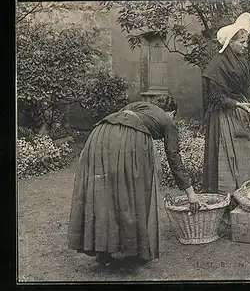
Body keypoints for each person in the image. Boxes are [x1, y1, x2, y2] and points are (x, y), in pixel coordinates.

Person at [67, 94, 201, 267]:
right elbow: (174, 159)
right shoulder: (168, 121)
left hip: (99, 134)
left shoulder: (137, 106)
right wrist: (191, 194)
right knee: (132, 195)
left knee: (105, 194)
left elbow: (122, 121)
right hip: (129, 139)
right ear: (172, 112)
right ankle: (133, 251)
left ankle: (103, 251)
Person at [202, 12, 250, 194]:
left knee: (246, 155)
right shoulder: (217, 65)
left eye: (245, 41)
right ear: (230, 43)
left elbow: (245, 88)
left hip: (241, 112)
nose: (245, 45)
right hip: (223, 116)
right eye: (242, 42)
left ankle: (246, 194)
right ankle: (227, 198)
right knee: (227, 159)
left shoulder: (240, 62)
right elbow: (215, 97)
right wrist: (238, 105)